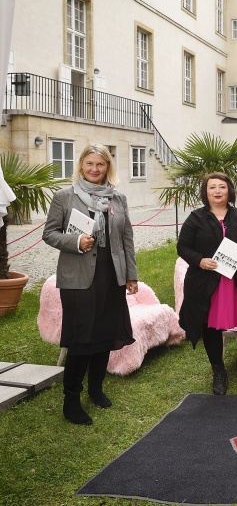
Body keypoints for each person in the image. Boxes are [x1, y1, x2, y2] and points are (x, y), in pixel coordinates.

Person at [43, 144, 138, 425]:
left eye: (101, 164)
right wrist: (75, 242)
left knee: (105, 334)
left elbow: (127, 239)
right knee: (82, 337)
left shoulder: (117, 198)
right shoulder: (64, 196)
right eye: (89, 164)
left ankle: (96, 389)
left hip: (111, 275)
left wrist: (131, 274)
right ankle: (71, 399)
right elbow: (49, 234)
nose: (95, 169)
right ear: (81, 165)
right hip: (79, 278)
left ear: (108, 167)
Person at [177, 172, 237, 395]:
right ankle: (219, 373)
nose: (217, 191)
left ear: (229, 191)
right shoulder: (196, 218)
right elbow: (183, 247)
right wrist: (199, 260)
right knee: (211, 327)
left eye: (222, 187)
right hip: (209, 283)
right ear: (205, 192)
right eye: (212, 187)